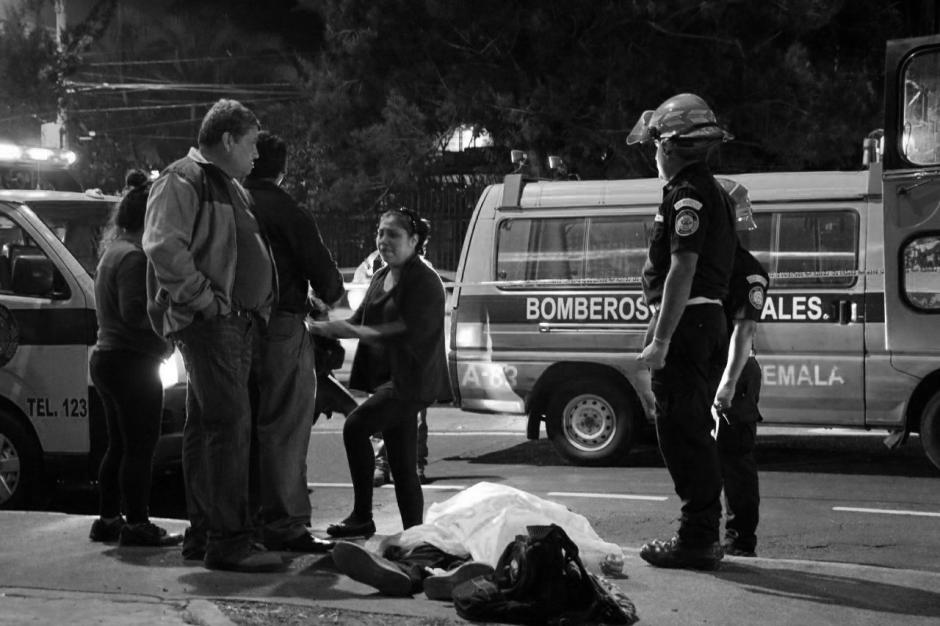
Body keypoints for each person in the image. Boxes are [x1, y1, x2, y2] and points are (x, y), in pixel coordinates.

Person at [143, 98, 283, 573]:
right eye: (250, 144)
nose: (256, 155)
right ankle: (228, 541)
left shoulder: (226, 185)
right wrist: (207, 301)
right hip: (212, 326)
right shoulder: (183, 178)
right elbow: (164, 247)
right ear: (227, 140)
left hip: (229, 324)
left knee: (208, 428)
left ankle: (206, 533)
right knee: (227, 428)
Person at [626, 93, 737, 570]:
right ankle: (703, 534)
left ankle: (696, 540)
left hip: (689, 323)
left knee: (681, 430)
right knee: (690, 429)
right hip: (703, 320)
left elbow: (681, 271)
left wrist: (662, 340)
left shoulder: (686, 193)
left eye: (654, 146)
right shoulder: (708, 189)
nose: (653, 155)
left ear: (670, 146)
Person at [307, 207, 451, 538]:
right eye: (380, 232)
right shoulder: (379, 276)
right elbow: (359, 321)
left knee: (356, 427)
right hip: (388, 379)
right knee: (402, 465)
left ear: (414, 240)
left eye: (393, 234)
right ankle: (415, 535)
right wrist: (317, 327)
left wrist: (342, 331)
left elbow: (403, 331)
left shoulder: (426, 282)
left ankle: (362, 516)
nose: (383, 240)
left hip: (410, 382)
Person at [243, 131, 344, 553]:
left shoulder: (230, 202)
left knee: (241, 427)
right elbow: (327, 279)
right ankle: (284, 523)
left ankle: (245, 517)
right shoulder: (285, 209)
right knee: (284, 424)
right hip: (281, 325)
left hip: (232, 327)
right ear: (282, 169)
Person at [88, 170, 182, 548]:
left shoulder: (112, 252)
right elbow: (134, 312)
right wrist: (165, 335)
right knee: (141, 446)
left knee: (119, 444)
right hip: (132, 361)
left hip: (108, 358)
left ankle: (109, 518)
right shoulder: (134, 257)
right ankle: (137, 523)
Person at [712, 179, 768, 558]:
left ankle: (740, 541)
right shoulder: (704, 267)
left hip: (734, 374)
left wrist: (727, 385)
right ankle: (704, 534)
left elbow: (743, 331)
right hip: (707, 370)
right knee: (706, 458)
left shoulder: (747, 272)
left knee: (735, 462)